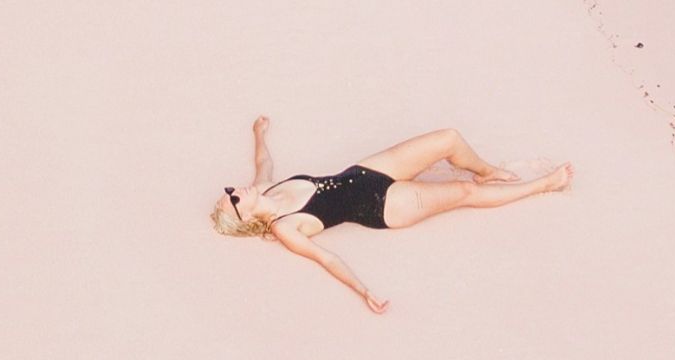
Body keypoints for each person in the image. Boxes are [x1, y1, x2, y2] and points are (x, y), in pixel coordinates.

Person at [211, 117, 573, 313]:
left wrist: (258, 133)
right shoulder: (285, 227)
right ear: (247, 220)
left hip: (365, 172)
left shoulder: (264, 188)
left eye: (229, 191)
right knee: (464, 193)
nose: (235, 191)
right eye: (234, 200)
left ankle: (487, 169)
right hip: (382, 206)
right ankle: (543, 185)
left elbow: (264, 162)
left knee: (448, 137)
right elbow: (327, 259)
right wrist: (363, 291)